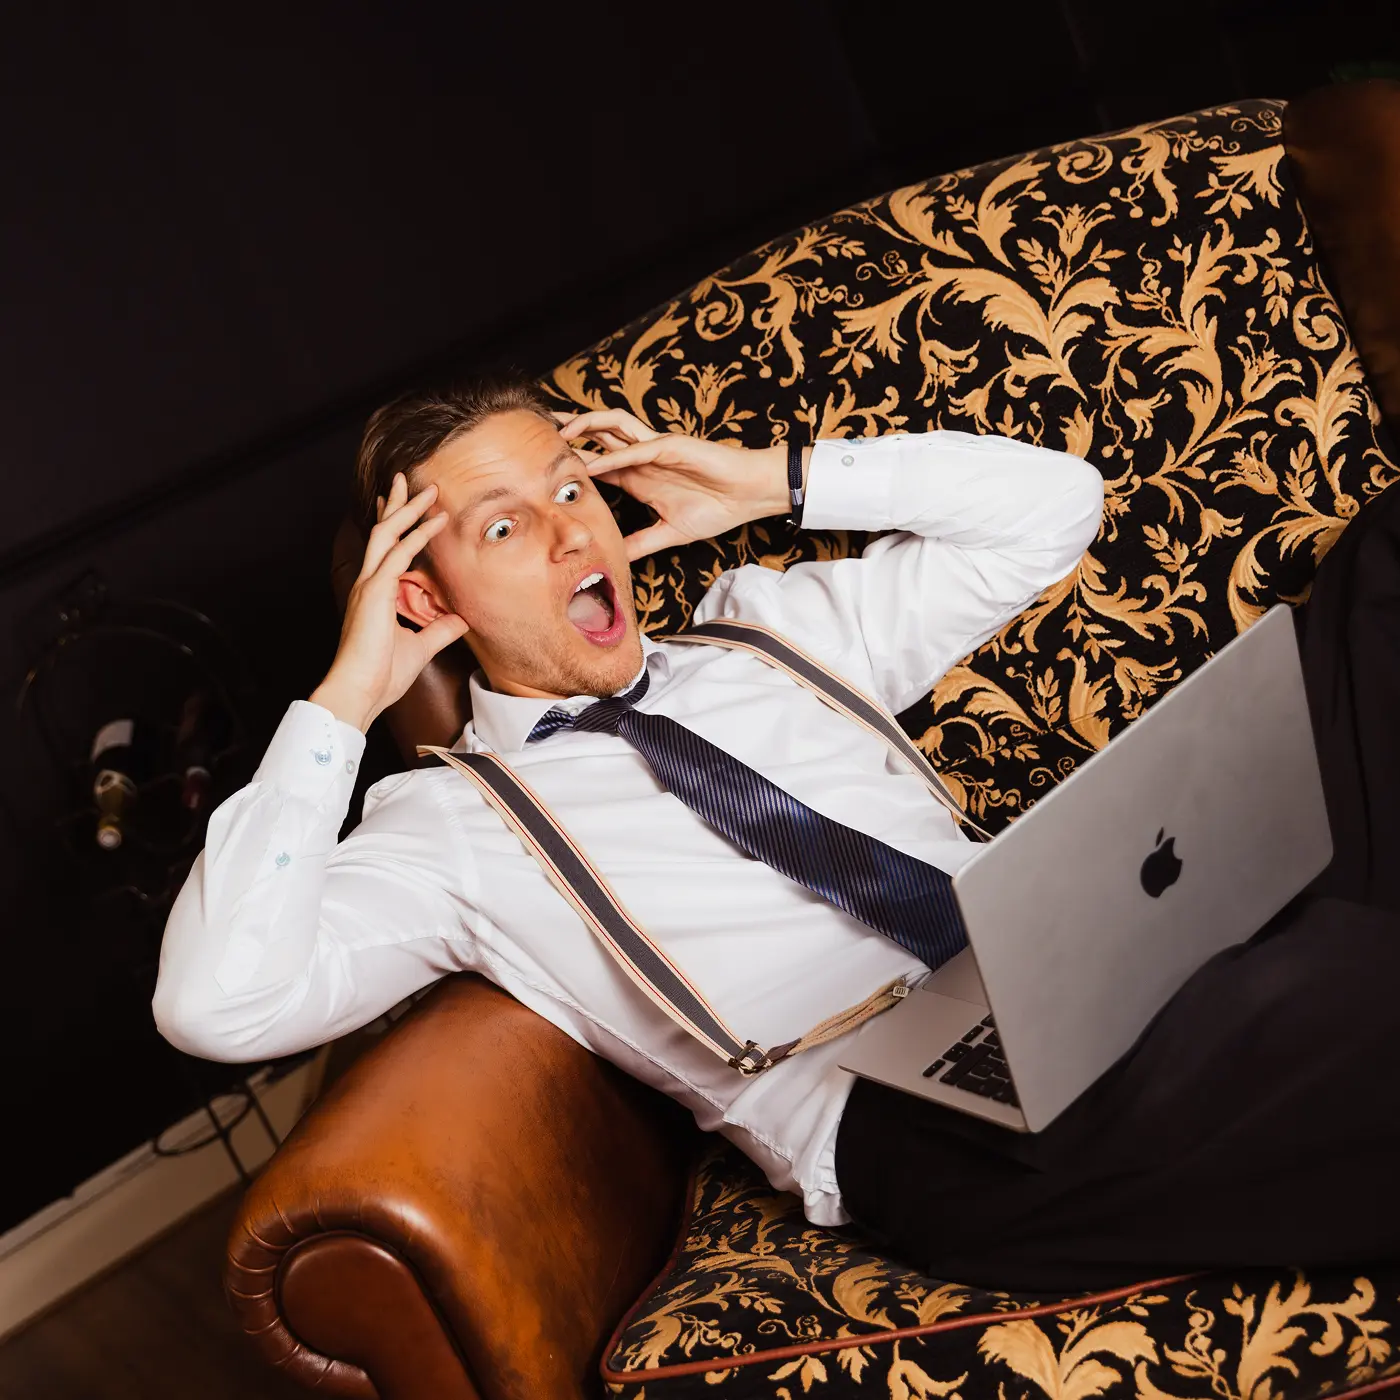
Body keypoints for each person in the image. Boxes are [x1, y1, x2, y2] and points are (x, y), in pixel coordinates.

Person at [154, 374, 1400, 1292]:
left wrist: (779, 480)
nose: (573, 531)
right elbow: (218, 1004)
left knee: (1379, 572)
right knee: (1323, 989)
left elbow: (1052, 507)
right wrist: (347, 697)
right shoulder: (446, 825)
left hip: (1079, 957)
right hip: (923, 1122)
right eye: (504, 525)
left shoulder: (762, 629)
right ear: (424, 595)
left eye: (571, 486)